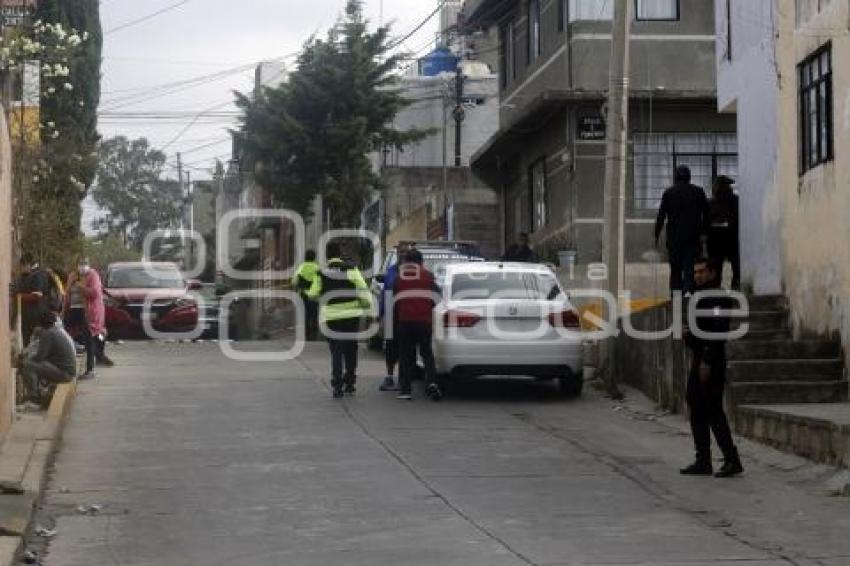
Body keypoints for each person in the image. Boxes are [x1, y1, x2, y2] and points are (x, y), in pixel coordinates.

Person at [681, 257, 743, 478]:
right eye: (695, 272)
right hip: (699, 358)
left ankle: (731, 459)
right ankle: (703, 459)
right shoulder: (698, 298)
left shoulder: (719, 298)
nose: (697, 276)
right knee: (695, 404)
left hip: (712, 360)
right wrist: (687, 335)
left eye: (701, 272)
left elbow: (718, 331)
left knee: (713, 409)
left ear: (712, 273)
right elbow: (697, 335)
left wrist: (707, 361)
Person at [307, 242, 373, 398]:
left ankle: (337, 385)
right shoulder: (351, 269)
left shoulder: (321, 273)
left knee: (336, 350)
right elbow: (363, 290)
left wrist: (323, 299)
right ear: (340, 253)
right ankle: (350, 382)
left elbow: (311, 294)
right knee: (351, 348)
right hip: (351, 316)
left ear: (327, 256)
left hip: (331, 317)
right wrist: (365, 305)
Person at [393, 249, 442, 401]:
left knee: (406, 356)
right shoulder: (428, 276)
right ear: (421, 261)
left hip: (405, 321)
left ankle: (405, 390)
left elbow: (394, 300)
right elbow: (437, 297)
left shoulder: (399, 277)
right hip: (424, 321)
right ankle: (432, 382)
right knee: (427, 353)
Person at [654, 165, 710, 295]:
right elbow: (707, 214)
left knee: (675, 267)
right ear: (689, 177)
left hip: (674, 237)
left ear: (676, 177)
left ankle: (675, 293)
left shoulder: (669, 193)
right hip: (692, 236)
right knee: (689, 265)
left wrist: (656, 235)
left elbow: (661, 216)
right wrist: (705, 232)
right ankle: (688, 291)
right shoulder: (698, 191)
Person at [19, 309, 77, 404]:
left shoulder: (49, 334)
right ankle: (38, 392)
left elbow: (39, 357)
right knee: (33, 364)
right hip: (67, 371)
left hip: (65, 374)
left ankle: (33, 397)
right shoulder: (57, 330)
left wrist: (26, 359)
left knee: (28, 366)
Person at [377, 242, 412, 392]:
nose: (402, 255)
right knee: (390, 347)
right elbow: (385, 293)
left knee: (405, 347)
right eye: (400, 252)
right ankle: (389, 377)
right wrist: (380, 313)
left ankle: (403, 379)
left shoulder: (413, 271)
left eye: (405, 252)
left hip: (407, 315)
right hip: (392, 314)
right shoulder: (391, 270)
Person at [71, 258, 109, 380]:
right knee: (95, 336)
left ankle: (91, 369)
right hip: (88, 313)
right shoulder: (84, 276)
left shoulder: (93, 276)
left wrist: (79, 286)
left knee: (90, 340)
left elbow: (94, 294)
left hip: (92, 314)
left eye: (84, 264)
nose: (81, 267)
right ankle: (99, 356)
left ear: (88, 265)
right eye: (80, 264)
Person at [707, 175, 741, 290]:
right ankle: (735, 289)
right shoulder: (735, 200)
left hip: (716, 240)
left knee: (717, 268)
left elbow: (706, 221)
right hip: (731, 239)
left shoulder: (711, 202)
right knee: (735, 268)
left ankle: (716, 291)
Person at [293, 250, 320, 341]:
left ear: (305, 257)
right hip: (314, 295)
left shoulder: (301, 268)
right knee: (314, 313)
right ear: (314, 257)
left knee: (305, 314)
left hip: (303, 294)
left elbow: (294, 282)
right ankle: (314, 333)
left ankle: (306, 334)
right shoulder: (317, 268)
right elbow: (321, 281)